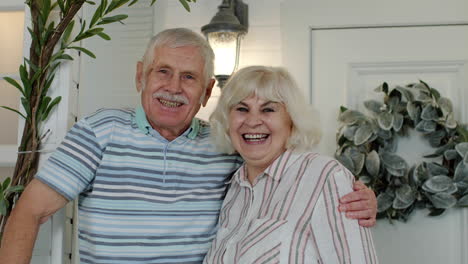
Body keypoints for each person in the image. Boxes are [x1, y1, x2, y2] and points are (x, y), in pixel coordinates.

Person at [0, 28, 376, 264]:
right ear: (140, 76)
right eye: (162, 71)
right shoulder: (101, 131)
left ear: (208, 91)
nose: (174, 88)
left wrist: (356, 196)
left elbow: (282, 172)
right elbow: (29, 212)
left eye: (189, 77)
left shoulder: (223, 147)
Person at [204, 65, 378, 263]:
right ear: (227, 120)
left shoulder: (324, 176)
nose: (252, 121)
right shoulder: (234, 189)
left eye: (268, 109)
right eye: (242, 109)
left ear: (292, 120)